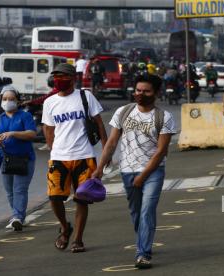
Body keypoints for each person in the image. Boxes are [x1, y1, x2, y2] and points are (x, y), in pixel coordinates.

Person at [92, 74, 176, 269]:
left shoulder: (164, 117)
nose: (141, 94)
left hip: (153, 171)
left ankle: (143, 253)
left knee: (147, 210)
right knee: (136, 213)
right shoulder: (123, 112)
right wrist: (99, 169)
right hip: (127, 170)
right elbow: (112, 143)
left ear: (155, 93)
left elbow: (161, 151)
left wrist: (143, 176)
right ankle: (143, 240)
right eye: (138, 90)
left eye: (146, 91)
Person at [41, 63, 108, 253]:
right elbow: (48, 128)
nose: (58, 80)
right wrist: (53, 148)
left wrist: (105, 152)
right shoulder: (50, 102)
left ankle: (78, 239)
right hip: (58, 158)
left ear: (73, 79)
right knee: (54, 198)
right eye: (56, 76)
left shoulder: (85, 96)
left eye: (62, 76)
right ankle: (64, 227)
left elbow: (100, 125)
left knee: (82, 199)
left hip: (84, 156)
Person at [0, 85, 37, 231]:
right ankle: (17, 215)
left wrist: (12, 133)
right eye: (5, 99)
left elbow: (32, 134)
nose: (7, 101)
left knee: (20, 189)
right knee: (10, 190)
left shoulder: (25, 116)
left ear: (17, 101)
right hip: (5, 159)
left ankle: (18, 217)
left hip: (24, 159)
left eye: (11, 99)